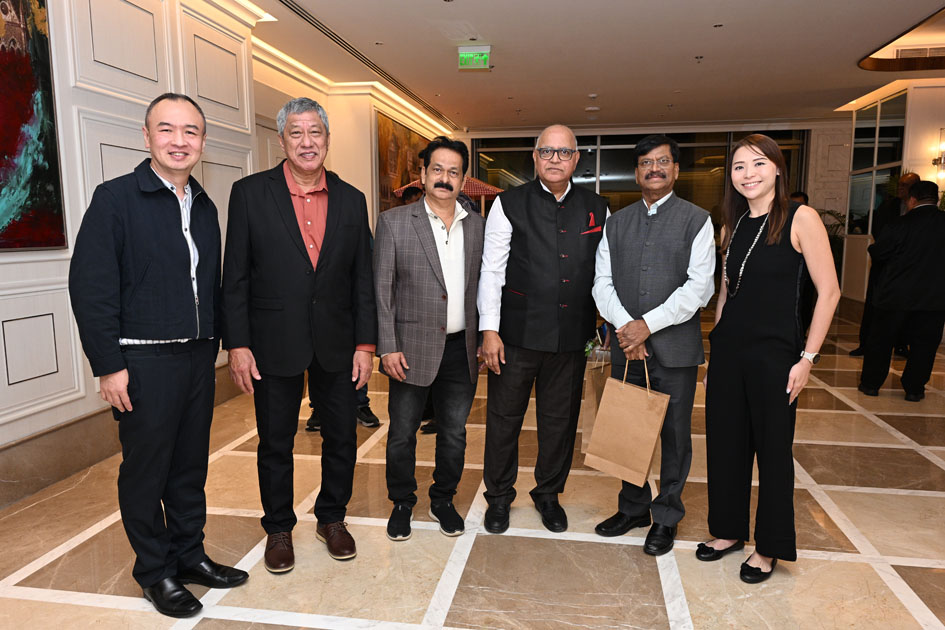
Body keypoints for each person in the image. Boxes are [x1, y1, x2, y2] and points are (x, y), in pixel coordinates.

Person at [69, 93, 248, 618]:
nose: (179, 140)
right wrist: (108, 365)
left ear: (202, 142)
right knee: (147, 472)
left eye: (190, 131)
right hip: (142, 362)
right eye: (166, 129)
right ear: (146, 136)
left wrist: (221, 344)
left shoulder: (205, 206)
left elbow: (211, 285)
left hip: (197, 358)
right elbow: (91, 288)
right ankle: (155, 572)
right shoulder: (115, 199)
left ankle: (189, 555)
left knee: (190, 467)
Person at [222, 97, 376, 571]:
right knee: (275, 441)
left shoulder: (352, 199)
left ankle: (332, 518)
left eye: (315, 133)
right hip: (272, 341)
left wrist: (366, 344)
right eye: (297, 133)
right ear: (282, 139)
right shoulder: (249, 194)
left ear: (327, 139)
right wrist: (238, 344)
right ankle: (278, 528)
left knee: (342, 437)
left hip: (338, 342)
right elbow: (235, 277)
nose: (307, 142)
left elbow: (363, 279)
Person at [701, 134, 839, 583]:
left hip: (776, 355)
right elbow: (727, 293)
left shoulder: (801, 218)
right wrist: (715, 350)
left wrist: (808, 358)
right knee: (726, 445)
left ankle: (769, 546)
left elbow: (829, 292)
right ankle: (728, 531)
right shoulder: (734, 223)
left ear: (778, 168)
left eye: (758, 164)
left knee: (773, 452)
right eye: (739, 166)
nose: (748, 174)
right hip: (729, 352)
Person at [478, 124, 608, 534]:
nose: (555, 159)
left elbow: (604, 273)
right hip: (515, 336)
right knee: (504, 420)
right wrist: (489, 330)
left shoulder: (598, 208)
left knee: (560, 422)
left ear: (576, 159)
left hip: (571, 338)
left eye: (564, 152)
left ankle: (548, 494)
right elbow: (492, 271)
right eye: (547, 151)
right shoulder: (508, 204)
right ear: (535, 157)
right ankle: (499, 496)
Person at [592, 134, 715, 555]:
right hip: (627, 346)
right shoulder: (616, 222)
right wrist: (628, 329)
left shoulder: (697, 220)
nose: (655, 168)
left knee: (675, 437)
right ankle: (633, 508)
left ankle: (666, 516)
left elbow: (699, 288)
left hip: (676, 350)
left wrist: (647, 325)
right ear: (637, 172)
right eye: (646, 163)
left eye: (663, 161)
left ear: (676, 170)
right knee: (627, 426)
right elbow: (602, 283)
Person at [374, 136, 485, 540]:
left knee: (454, 433)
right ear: (422, 174)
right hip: (409, 349)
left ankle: (443, 499)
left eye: (453, 172)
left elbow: (486, 286)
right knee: (402, 433)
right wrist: (388, 346)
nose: (444, 178)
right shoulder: (394, 222)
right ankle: (402, 502)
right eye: (437, 169)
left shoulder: (478, 227)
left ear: (463, 179)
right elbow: (381, 291)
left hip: (461, 349)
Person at [859, 180, 945, 402]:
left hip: (895, 296)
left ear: (912, 200)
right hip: (934, 299)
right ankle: (914, 389)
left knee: (881, 341)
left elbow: (879, 252)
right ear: (936, 199)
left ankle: (871, 384)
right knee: (924, 346)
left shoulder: (900, 224)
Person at [849, 172, 919, 357]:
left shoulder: (919, 210)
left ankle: (901, 344)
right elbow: (878, 230)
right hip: (885, 264)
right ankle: (865, 344)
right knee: (873, 305)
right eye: (900, 184)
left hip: (908, 268)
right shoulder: (888, 205)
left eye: (904, 185)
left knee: (905, 308)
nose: (900, 188)